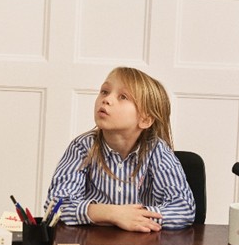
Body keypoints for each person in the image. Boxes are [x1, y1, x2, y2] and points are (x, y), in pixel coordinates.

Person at [44, 67, 195, 233]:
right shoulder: (81, 147)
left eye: (123, 97)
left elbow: (184, 208)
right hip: (93, 243)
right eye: (104, 91)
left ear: (145, 120)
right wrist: (113, 214)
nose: (107, 99)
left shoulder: (157, 151)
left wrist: (134, 217)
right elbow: (55, 206)